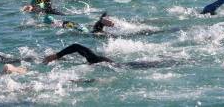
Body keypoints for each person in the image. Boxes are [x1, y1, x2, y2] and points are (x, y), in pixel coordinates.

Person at [42, 43, 179, 69]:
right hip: (125, 66)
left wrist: (56, 56)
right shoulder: (95, 61)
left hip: (124, 67)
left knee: (157, 64)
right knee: (158, 64)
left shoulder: (94, 60)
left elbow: (76, 46)